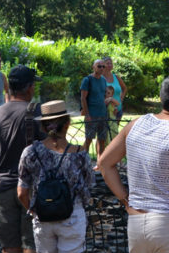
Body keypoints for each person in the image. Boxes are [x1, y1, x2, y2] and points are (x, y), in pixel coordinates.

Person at [98, 73, 169, 253]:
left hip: (136, 222)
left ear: (161, 98)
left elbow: (104, 163)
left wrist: (125, 200)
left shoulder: (135, 124)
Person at [17, 100, 94, 253]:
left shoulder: (30, 152)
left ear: (44, 127)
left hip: (43, 217)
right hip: (72, 215)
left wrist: (34, 211)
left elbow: (21, 192)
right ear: (67, 124)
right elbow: (89, 186)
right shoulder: (80, 155)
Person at [0, 65, 43, 253]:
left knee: (9, 246)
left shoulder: (0, 112)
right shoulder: (35, 111)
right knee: (31, 244)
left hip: (2, 188)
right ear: (29, 87)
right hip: (30, 187)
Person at [80, 59, 108, 156]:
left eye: (103, 66)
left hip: (103, 115)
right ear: (93, 67)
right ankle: (82, 160)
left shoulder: (104, 80)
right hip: (92, 115)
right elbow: (83, 98)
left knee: (102, 140)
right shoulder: (87, 80)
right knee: (88, 140)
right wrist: (87, 114)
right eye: (99, 66)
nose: (101, 68)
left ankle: (100, 164)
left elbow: (104, 96)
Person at [102, 57, 127, 136]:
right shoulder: (100, 78)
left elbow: (124, 88)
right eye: (107, 63)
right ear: (103, 65)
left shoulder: (116, 77)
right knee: (103, 135)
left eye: (111, 63)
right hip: (107, 110)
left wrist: (121, 98)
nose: (110, 65)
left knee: (115, 133)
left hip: (118, 110)